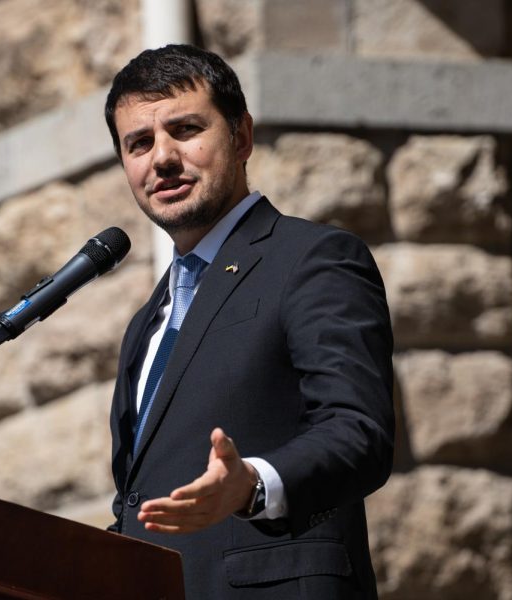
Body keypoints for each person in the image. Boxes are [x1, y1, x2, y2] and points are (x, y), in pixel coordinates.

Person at [104, 44, 394, 599]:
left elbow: (359, 431)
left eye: (185, 129)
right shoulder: (147, 322)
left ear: (241, 138)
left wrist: (253, 484)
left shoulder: (312, 258)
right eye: (138, 143)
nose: (161, 158)